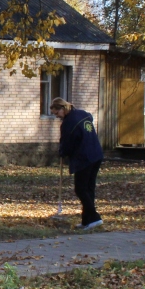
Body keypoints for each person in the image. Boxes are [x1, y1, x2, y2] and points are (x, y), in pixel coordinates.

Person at [51, 97, 104, 230]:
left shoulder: (69, 123)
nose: (57, 117)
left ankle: (95, 218)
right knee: (88, 189)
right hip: (96, 154)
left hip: (85, 157)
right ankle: (87, 221)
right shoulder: (82, 113)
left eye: (57, 113)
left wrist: (62, 152)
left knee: (80, 189)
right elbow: (87, 123)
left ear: (62, 109)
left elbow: (67, 142)